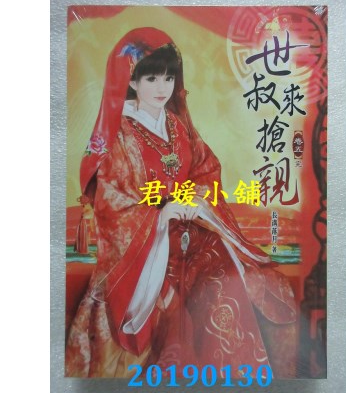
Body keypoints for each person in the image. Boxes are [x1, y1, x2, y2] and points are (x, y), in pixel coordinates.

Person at [66, 27, 296, 378]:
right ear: (131, 81)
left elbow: (206, 169)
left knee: (228, 274)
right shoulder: (120, 135)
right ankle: (180, 363)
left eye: (169, 78)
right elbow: (112, 201)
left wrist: (196, 201)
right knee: (175, 301)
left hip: (190, 231)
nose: (162, 88)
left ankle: (232, 374)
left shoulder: (177, 124)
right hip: (147, 247)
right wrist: (160, 216)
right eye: (152, 79)